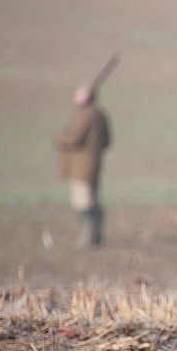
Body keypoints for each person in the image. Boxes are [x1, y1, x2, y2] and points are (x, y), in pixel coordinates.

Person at [54, 86, 111, 247]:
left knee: (83, 201)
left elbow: (72, 139)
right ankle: (96, 236)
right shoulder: (100, 114)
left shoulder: (85, 115)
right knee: (91, 198)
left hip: (80, 166)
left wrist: (59, 138)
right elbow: (107, 141)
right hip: (94, 164)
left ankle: (87, 237)